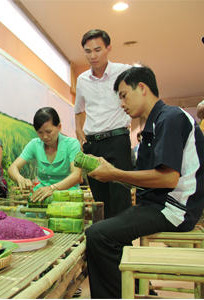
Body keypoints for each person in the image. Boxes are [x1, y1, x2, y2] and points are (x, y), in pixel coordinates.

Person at [85, 66, 204, 299]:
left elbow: (168, 178)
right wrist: (107, 172)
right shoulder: (152, 126)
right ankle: (138, 290)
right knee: (103, 230)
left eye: (123, 95)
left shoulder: (170, 117)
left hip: (175, 209)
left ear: (142, 88)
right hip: (157, 205)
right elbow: (146, 177)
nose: (121, 104)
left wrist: (115, 174)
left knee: (99, 235)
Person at [74, 29, 132, 219]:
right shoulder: (82, 80)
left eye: (98, 50)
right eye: (88, 51)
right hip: (93, 144)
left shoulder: (123, 72)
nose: (93, 56)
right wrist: (78, 130)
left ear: (108, 48)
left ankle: (123, 246)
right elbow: (79, 109)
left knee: (120, 197)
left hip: (118, 140)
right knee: (100, 199)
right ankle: (105, 244)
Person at [8, 107, 82, 203]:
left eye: (48, 131)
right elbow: (13, 168)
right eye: (40, 133)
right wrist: (19, 178)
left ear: (59, 127)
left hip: (67, 195)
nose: (45, 137)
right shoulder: (35, 144)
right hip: (41, 195)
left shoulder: (72, 144)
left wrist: (52, 188)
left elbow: (76, 175)